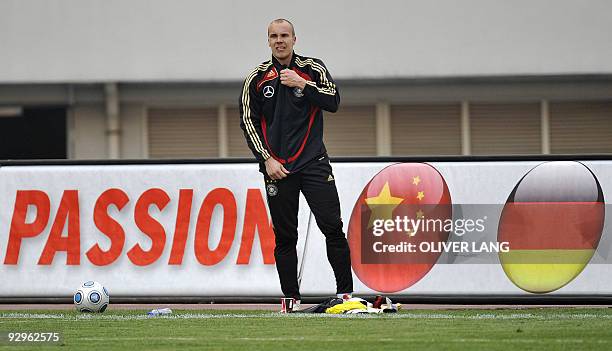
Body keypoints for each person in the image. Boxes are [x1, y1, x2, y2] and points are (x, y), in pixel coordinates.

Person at [239, 18, 353, 308]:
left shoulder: (312, 68)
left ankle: (346, 295)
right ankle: (291, 300)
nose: (280, 41)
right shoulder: (256, 78)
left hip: (314, 163)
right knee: (286, 236)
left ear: (294, 39)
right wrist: (266, 160)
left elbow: (334, 100)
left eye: (285, 35)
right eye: (274, 36)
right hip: (278, 168)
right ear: (268, 41)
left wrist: (303, 84)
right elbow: (247, 122)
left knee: (333, 227)